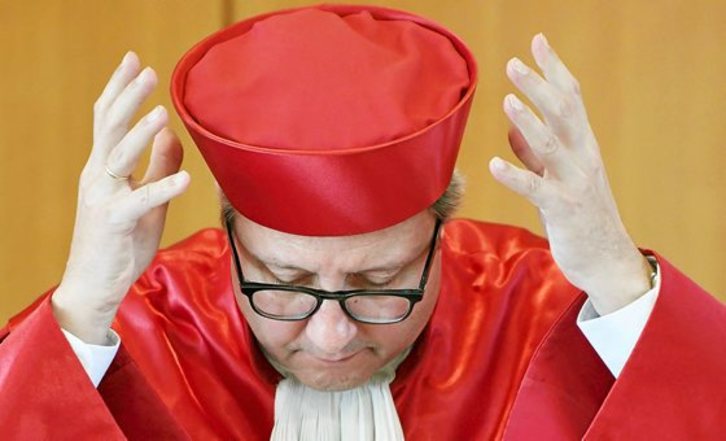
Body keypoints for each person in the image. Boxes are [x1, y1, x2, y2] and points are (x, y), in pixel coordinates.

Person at [1, 4, 723, 440]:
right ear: (230, 240)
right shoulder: (142, 318)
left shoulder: (545, 306)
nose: (332, 336)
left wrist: (621, 282)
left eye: (380, 283)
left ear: (443, 233)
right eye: (284, 282)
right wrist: (81, 307)